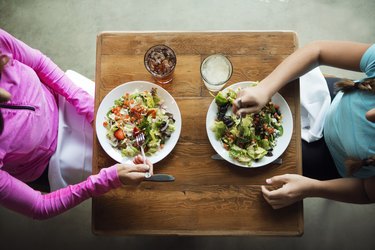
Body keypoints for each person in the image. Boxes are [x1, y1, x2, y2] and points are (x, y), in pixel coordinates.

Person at [0, 28, 153, 219]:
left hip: (64, 99)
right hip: (52, 160)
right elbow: (39, 206)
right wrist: (106, 180)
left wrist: (85, 104)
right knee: (132, 179)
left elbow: (38, 63)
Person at [233, 41, 375, 209]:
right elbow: (318, 51)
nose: (370, 114)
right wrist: (264, 89)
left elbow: (366, 191)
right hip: (334, 97)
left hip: (331, 161)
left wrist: (312, 188)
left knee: (252, 180)